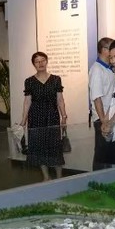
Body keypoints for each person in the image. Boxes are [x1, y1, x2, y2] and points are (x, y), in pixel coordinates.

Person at [20, 51, 67, 181]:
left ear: (46, 61)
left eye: (42, 60)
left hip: (52, 116)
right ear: (33, 64)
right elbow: (27, 101)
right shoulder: (29, 81)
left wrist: (64, 116)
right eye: (37, 61)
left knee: (55, 147)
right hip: (35, 118)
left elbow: (60, 99)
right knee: (39, 147)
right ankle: (46, 177)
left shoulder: (56, 79)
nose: (40, 63)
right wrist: (23, 120)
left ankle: (59, 177)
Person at [88, 37, 115, 170]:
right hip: (102, 118)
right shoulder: (97, 70)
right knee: (101, 152)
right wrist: (104, 120)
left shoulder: (108, 69)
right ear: (104, 50)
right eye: (112, 48)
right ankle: (97, 179)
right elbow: (97, 97)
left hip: (109, 117)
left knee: (108, 152)